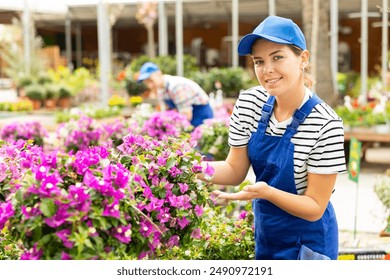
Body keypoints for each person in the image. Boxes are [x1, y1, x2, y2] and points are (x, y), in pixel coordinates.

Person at [199, 15, 347, 260]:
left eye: (277, 57)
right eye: (259, 61)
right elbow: (234, 170)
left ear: (303, 59)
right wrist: (185, 168)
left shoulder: (325, 123)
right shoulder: (249, 103)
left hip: (310, 247)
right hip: (267, 236)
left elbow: (314, 208)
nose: (267, 70)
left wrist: (267, 193)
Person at [137, 62, 214, 127]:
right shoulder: (160, 90)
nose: (150, 86)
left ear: (159, 73)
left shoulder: (176, 87)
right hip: (187, 119)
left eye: (151, 80)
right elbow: (165, 112)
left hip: (200, 116)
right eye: (146, 82)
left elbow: (186, 116)